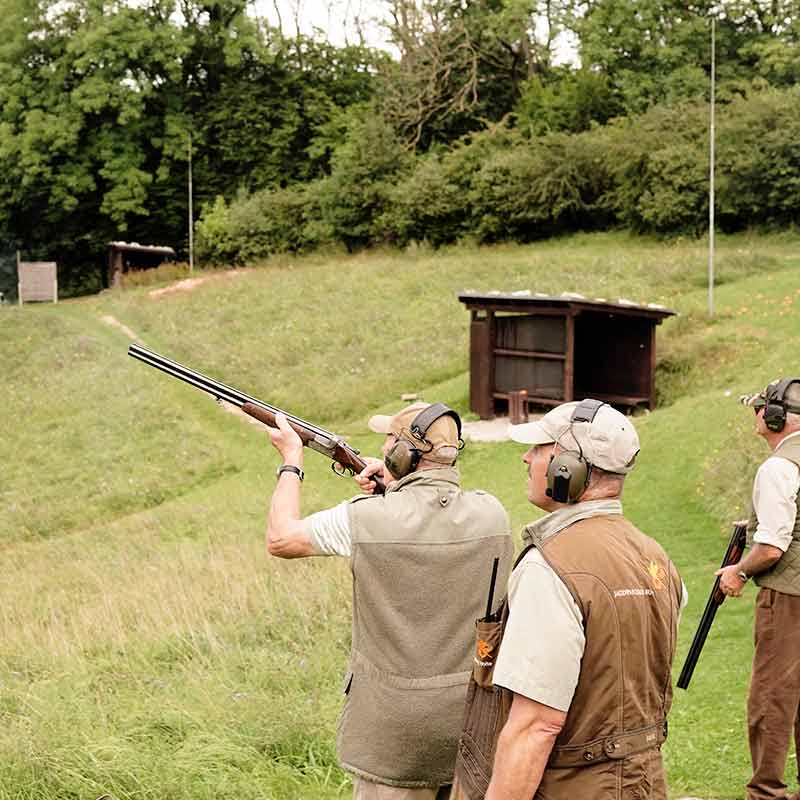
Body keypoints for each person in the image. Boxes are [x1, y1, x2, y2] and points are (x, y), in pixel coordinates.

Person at [265, 401, 514, 800]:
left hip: (395, 736)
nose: (382, 448)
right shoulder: (493, 513)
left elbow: (281, 538)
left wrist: (291, 460)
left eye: (389, 440)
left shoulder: (365, 518)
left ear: (404, 454)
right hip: (473, 724)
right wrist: (397, 490)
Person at [451, 398, 685, 800]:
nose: (526, 459)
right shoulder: (655, 556)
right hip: (644, 783)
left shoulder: (549, 567)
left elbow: (536, 726)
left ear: (568, 469)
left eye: (539, 449)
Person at [718, 378, 800, 800]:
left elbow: (771, 547)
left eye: (759, 408)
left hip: (788, 596)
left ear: (774, 417)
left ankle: (766, 792)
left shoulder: (778, 468)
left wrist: (738, 572)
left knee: (771, 696)